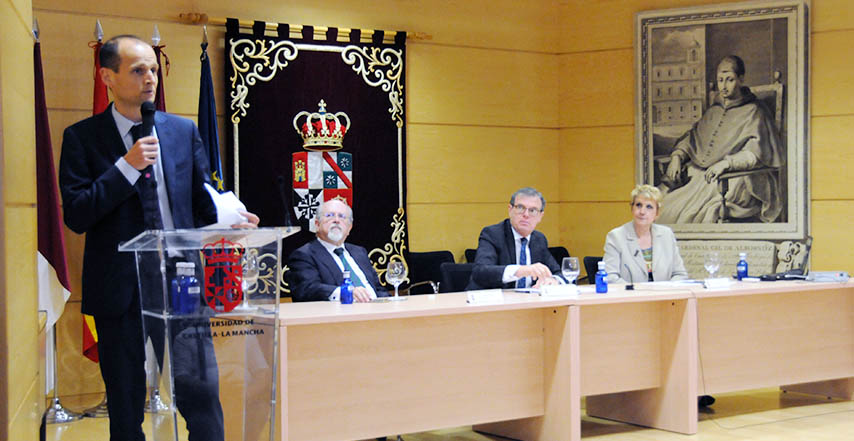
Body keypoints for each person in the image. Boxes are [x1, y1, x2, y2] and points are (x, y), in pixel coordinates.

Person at [59, 35, 258, 441]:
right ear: (107, 77)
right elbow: (78, 214)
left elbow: (201, 203)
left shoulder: (182, 131)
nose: (150, 78)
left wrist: (229, 221)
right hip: (120, 290)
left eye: (153, 68)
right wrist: (126, 168)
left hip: (182, 282)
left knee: (201, 396)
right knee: (126, 403)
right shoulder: (82, 138)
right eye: (137, 70)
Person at [658, 55, 784, 224]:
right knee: (667, 206)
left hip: (739, 179)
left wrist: (725, 164)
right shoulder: (713, 111)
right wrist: (676, 157)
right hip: (703, 176)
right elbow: (693, 138)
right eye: (720, 80)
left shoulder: (754, 111)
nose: (723, 87)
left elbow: (755, 154)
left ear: (741, 79)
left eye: (729, 80)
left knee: (687, 210)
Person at [288, 198, 388, 302]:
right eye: (329, 215)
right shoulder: (304, 254)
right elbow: (307, 289)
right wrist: (346, 292)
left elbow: (378, 289)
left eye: (342, 216)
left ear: (349, 228)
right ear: (317, 224)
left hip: (377, 311)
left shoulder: (359, 252)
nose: (336, 220)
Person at [467, 187, 564, 290]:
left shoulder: (538, 239)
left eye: (533, 210)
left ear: (540, 216)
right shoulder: (493, 234)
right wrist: (520, 270)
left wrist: (554, 280)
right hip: (492, 302)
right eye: (520, 208)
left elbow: (559, 272)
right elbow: (481, 271)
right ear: (510, 210)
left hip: (528, 302)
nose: (526, 215)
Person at [603, 184, 688, 284]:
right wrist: (638, 292)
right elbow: (610, 277)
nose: (642, 212)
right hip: (631, 297)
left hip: (663, 297)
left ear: (657, 213)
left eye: (649, 207)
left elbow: (680, 274)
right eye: (638, 205)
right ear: (632, 208)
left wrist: (665, 290)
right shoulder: (616, 237)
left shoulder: (666, 235)